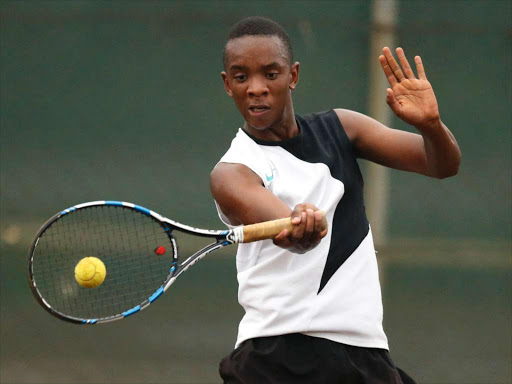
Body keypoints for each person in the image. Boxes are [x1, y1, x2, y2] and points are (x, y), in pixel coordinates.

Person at [210, 16, 461, 384]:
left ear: (293, 76)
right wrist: (301, 225)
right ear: (227, 85)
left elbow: (442, 165)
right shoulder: (233, 172)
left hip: (365, 353)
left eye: (271, 74)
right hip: (278, 356)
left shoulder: (342, 128)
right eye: (241, 76)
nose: (256, 88)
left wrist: (430, 125)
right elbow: (291, 234)